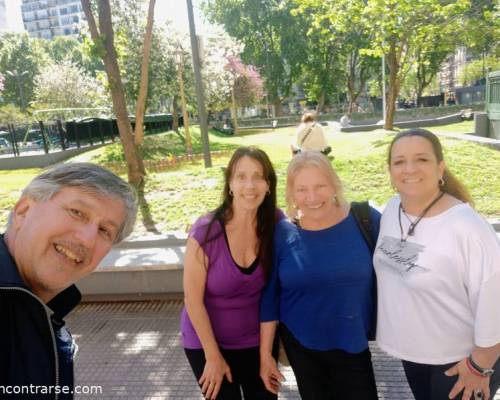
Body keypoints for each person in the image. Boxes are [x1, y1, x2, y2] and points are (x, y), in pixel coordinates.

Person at [374, 128, 500, 400]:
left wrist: (480, 365)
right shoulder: (391, 210)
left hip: (461, 362)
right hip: (414, 355)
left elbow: (495, 300)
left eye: (422, 159)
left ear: (440, 167)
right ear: (390, 171)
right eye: (399, 161)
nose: (410, 169)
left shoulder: (467, 227)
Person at [0, 162, 137, 399]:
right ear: (23, 211)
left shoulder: (46, 311)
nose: (87, 239)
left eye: (105, 230)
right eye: (77, 212)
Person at [260, 151, 380, 400]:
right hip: (302, 346)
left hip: (353, 341)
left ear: (334, 185)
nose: (312, 197)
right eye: (302, 189)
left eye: (320, 186)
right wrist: (265, 357)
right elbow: (270, 300)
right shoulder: (282, 234)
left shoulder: (366, 220)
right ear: (292, 193)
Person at [180, 147, 281, 400]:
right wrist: (212, 356)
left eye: (258, 176)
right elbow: (192, 301)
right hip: (207, 343)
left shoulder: (277, 224)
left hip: (259, 343)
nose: (250, 185)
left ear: (268, 185)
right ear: (230, 184)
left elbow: (278, 291)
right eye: (241, 176)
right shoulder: (206, 232)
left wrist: (267, 354)